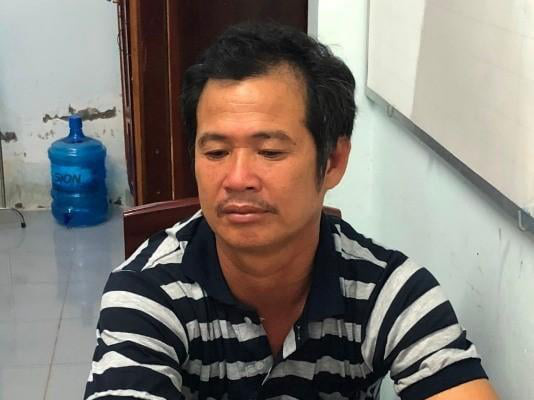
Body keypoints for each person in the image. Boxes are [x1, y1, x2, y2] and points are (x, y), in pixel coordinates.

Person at [85, 23, 498, 400]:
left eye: (270, 152)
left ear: (333, 162)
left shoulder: (389, 291)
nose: (237, 178)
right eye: (216, 152)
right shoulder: (147, 291)